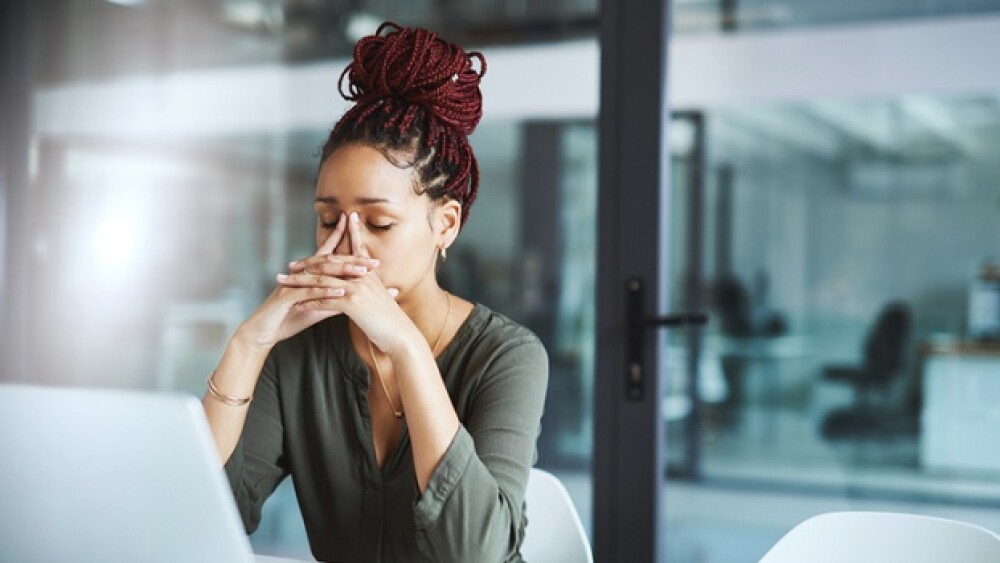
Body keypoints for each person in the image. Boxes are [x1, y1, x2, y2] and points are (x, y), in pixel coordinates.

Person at [201, 22, 549, 563]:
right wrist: (249, 344)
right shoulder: (298, 351)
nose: (346, 245)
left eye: (380, 224)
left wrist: (405, 346)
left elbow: (478, 553)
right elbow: (209, 513)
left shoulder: (508, 356)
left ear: (447, 224)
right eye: (326, 220)